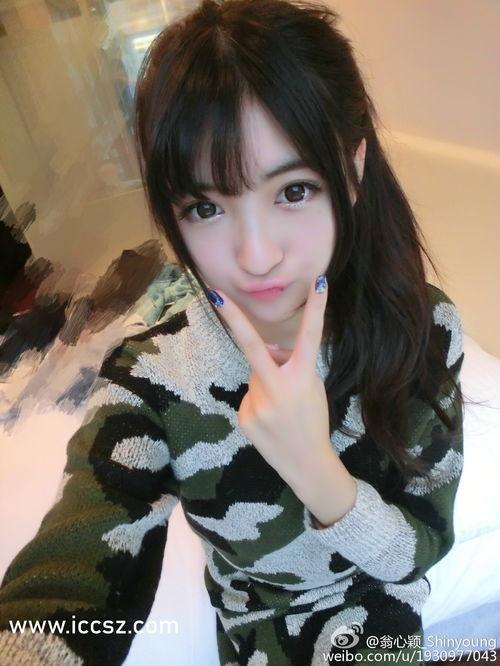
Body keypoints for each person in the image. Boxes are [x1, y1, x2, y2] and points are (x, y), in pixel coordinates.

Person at [0, 0, 466, 664]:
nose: (256, 256)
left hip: (379, 621)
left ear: (353, 170)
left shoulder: (426, 331)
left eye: (294, 190)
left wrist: (314, 467)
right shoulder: (152, 378)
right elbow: (68, 578)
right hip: (251, 635)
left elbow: (416, 552)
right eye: (205, 207)